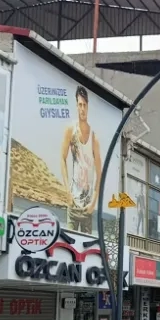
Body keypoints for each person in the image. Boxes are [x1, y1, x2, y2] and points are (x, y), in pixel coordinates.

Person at [61, 86, 103, 233]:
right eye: (80, 105)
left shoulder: (94, 138)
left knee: (86, 245)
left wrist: (94, 202)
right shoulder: (70, 130)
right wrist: (67, 192)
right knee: (69, 243)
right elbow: (62, 158)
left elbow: (100, 172)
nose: (82, 109)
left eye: (85, 105)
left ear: (88, 106)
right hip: (73, 203)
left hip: (87, 208)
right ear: (76, 106)